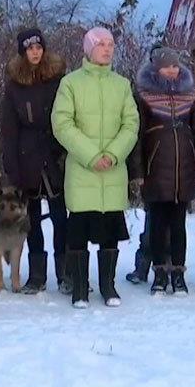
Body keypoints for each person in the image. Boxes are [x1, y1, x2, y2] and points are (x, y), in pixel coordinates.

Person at [51, 27, 140, 309]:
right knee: (79, 232)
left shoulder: (122, 85)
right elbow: (62, 124)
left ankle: (108, 286)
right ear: (88, 48)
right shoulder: (70, 84)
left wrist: (113, 155)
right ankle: (79, 288)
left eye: (111, 44)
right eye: (101, 44)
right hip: (82, 171)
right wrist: (91, 156)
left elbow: (131, 124)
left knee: (110, 232)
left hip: (113, 172)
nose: (107, 49)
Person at [129, 46, 195, 296]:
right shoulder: (144, 96)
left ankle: (179, 274)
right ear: (155, 68)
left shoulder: (190, 95)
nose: (172, 70)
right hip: (156, 171)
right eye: (166, 66)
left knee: (179, 225)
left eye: (175, 65)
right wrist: (138, 171)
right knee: (157, 225)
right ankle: (159, 273)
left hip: (183, 171)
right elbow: (137, 136)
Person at [0, 27, 70, 295]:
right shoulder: (14, 86)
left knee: (60, 218)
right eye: (30, 48)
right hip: (26, 158)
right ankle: (37, 275)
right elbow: (9, 130)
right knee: (31, 221)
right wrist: (12, 167)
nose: (35, 52)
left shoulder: (58, 79)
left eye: (39, 47)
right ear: (23, 52)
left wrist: (63, 151)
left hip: (55, 155)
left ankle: (65, 273)